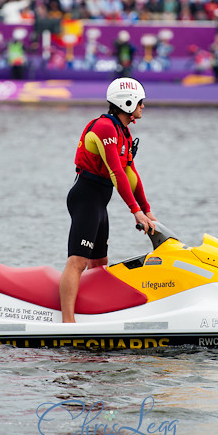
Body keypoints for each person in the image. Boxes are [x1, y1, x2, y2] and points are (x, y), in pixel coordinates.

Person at [60, 78, 157, 323]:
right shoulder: (105, 128)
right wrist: (135, 211)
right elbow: (116, 173)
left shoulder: (123, 132)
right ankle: (67, 323)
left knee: (100, 262)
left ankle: (93, 314)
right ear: (128, 102)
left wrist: (147, 210)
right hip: (86, 197)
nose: (143, 107)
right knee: (78, 260)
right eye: (140, 102)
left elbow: (131, 174)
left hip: (100, 201)